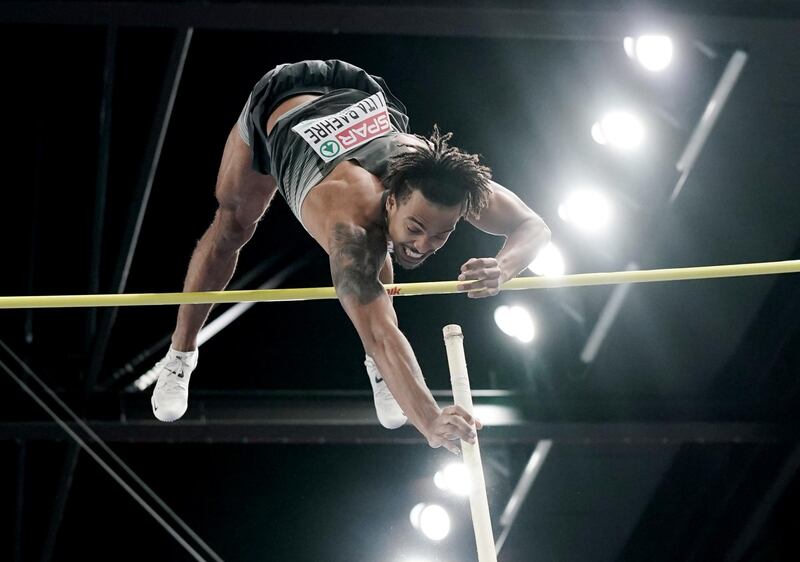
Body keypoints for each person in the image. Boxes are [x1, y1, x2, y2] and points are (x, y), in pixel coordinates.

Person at [150, 60, 550, 455]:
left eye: (440, 235)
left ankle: (385, 369)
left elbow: (533, 226)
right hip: (280, 103)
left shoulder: (448, 183)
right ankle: (180, 353)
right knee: (231, 228)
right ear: (392, 201)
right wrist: (429, 420)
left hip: (357, 89)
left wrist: (505, 266)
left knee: (382, 250)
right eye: (415, 228)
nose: (424, 245)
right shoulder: (350, 223)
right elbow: (378, 331)